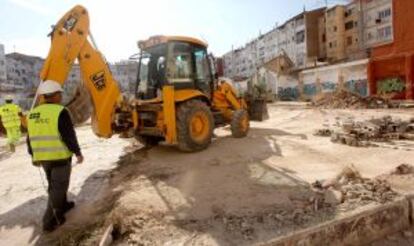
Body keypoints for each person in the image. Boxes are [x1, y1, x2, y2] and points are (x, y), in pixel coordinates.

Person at [26, 80, 84, 232]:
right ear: (56, 95)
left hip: (44, 158)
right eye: (61, 94)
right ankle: (49, 221)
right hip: (59, 157)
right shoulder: (60, 111)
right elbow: (68, 136)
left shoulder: (32, 114)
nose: (61, 97)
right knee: (58, 188)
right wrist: (78, 152)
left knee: (54, 185)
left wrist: (33, 155)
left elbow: (29, 138)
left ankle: (63, 206)